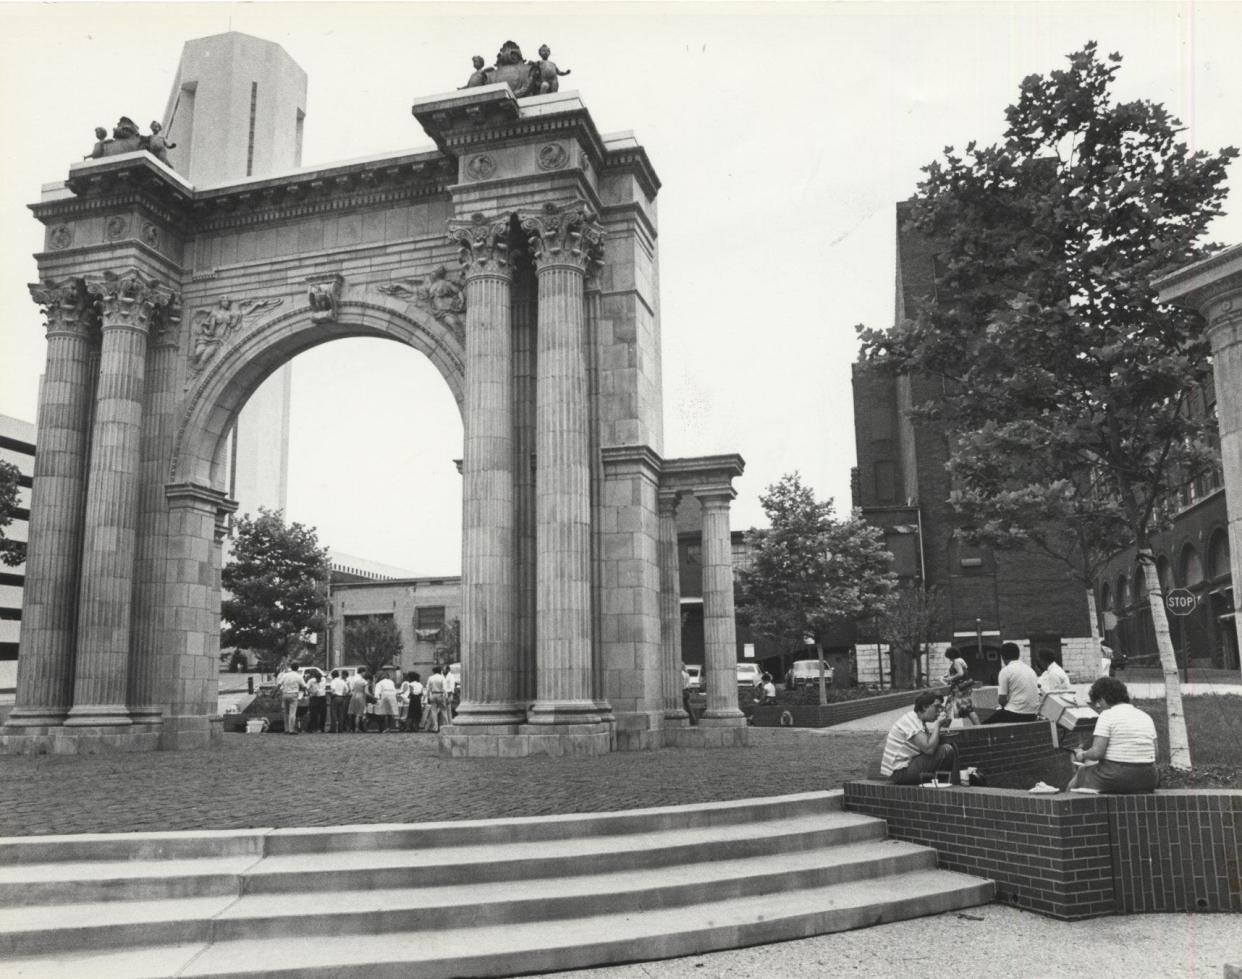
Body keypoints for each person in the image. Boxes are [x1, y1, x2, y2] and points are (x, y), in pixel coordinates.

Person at [1066, 677, 1158, 794]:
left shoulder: (1107, 715)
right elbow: (1156, 753)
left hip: (1116, 777)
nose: (1098, 707)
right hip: (1149, 778)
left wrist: (1081, 755)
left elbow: (1097, 753)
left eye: (1098, 702)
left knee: (1081, 775)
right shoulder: (1146, 716)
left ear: (1104, 699)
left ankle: (1066, 805)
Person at [880, 692, 960, 785]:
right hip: (900, 772)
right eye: (936, 707)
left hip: (904, 768)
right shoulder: (911, 721)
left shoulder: (916, 720)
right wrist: (938, 725)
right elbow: (929, 749)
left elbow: (928, 743)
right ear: (924, 707)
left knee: (950, 747)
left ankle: (943, 784)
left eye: (940, 707)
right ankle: (944, 785)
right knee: (946, 750)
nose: (939, 711)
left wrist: (941, 727)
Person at [983, 643, 1041, 724]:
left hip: (1016, 714)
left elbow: (1002, 701)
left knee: (985, 724)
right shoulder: (1030, 670)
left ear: (1002, 657)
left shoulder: (1005, 671)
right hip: (1032, 714)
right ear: (1018, 655)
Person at [274, 666, 307, 735]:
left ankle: (286, 729)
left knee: (286, 713)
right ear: (297, 668)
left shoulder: (285, 675)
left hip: (285, 694)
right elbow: (304, 686)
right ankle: (291, 730)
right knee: (292, 713)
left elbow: (279, 685)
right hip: (293, 695)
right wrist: (304, 693)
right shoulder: (298, 676)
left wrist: (274, 693)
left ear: (291, 668)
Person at [425, 667, 448, 733]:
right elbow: (444, 688)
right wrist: (446, 696)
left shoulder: (430, 678)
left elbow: (428, 688)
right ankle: (446, 726)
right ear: (440, 671)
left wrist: (427, 696)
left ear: (433, 671)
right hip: (440, 694)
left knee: (433, 712)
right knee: (444, 710)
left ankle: (435, 727)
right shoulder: (442, 678)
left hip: (433, 694)